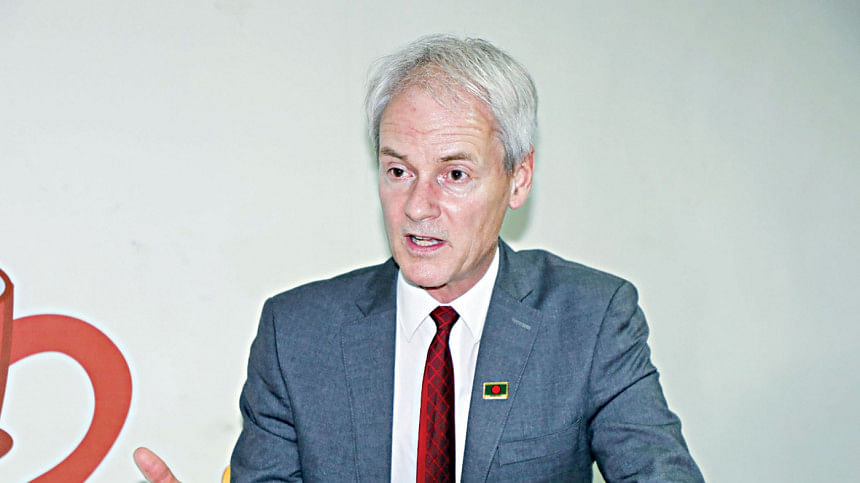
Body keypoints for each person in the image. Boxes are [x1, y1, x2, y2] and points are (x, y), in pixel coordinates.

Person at [136, 34, 703, 482]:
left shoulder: (590, 319)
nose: (417, 206)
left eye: (454, 174)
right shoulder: (297, 334)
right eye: (398, 170)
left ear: (518, 178)